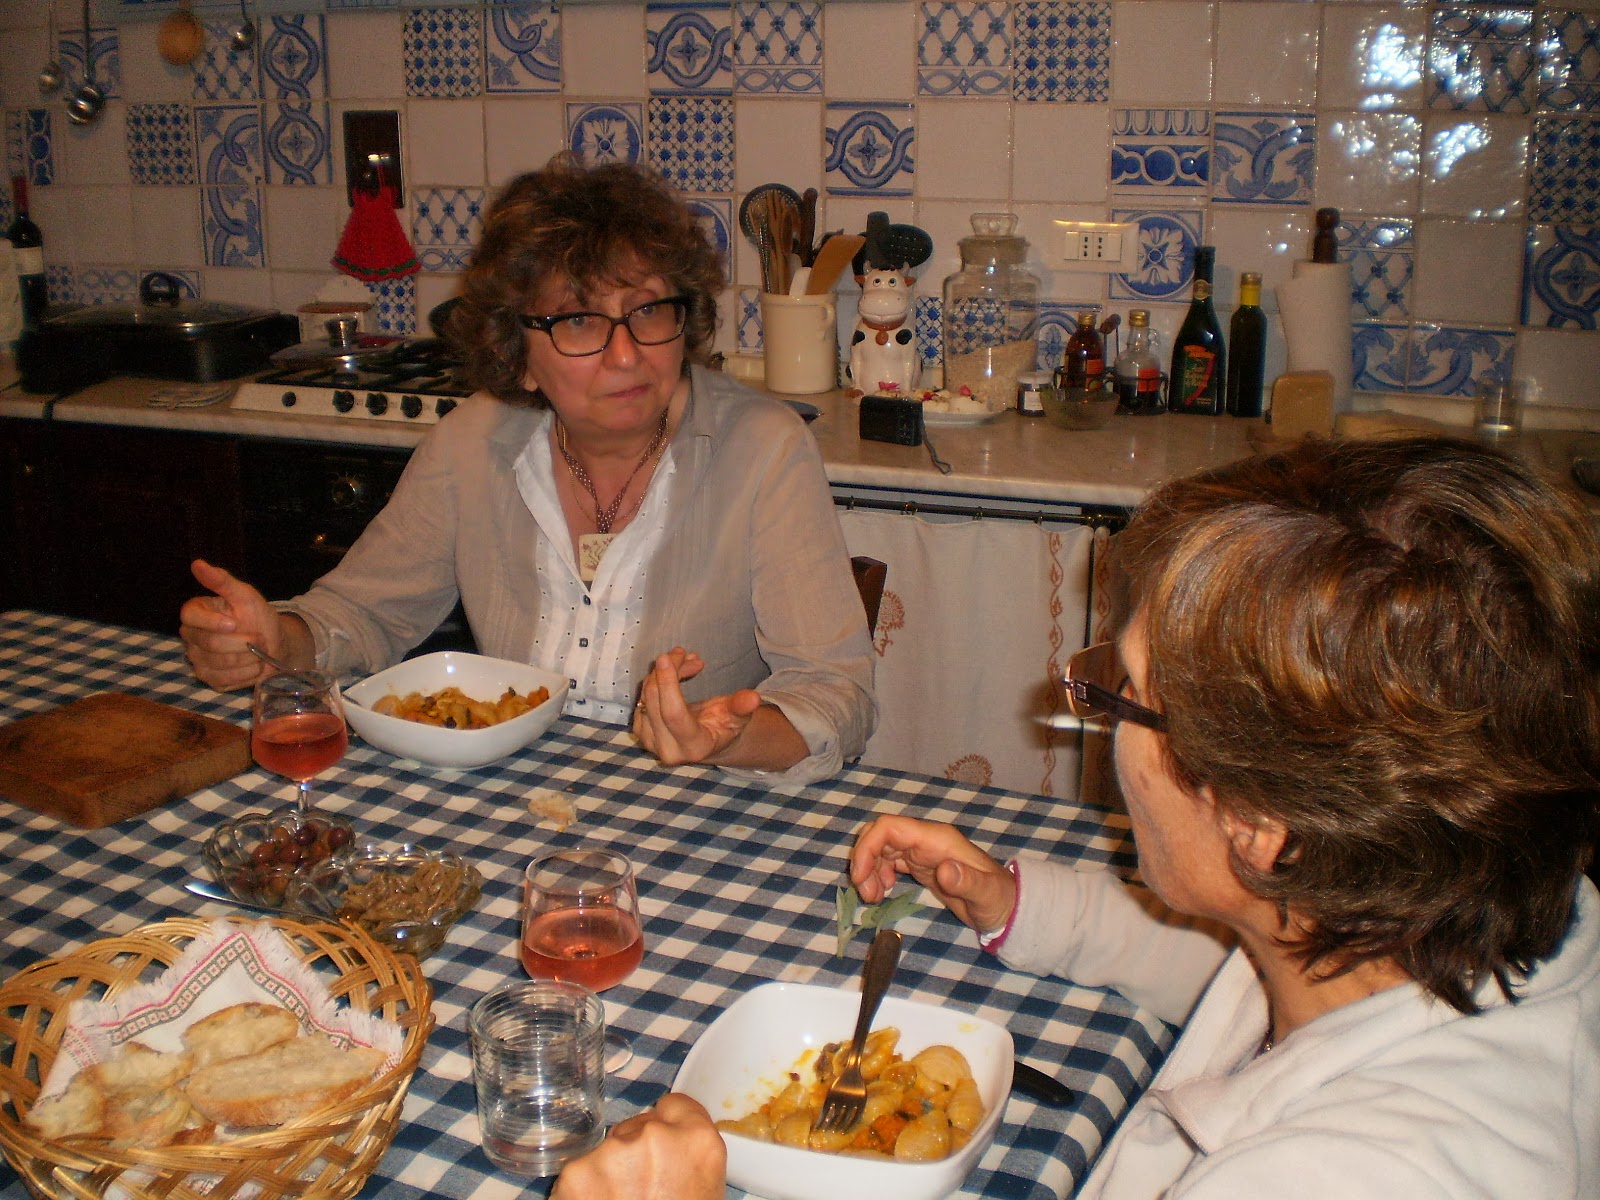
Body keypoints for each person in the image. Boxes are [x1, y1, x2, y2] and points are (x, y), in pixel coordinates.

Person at [551, 436, 1600, 1198]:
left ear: (1260, 821)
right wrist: (1011, 899)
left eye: (1120, 696)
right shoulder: (1429, 923)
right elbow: (1227, 971)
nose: (1093, 723)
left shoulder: (1347, 1176)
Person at [180, 155, 875, 785]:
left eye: (649, 312)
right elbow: (361, 614)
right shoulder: (473, 442)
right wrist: (277, 640)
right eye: (579, 322)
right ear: (517, 355)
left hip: (699, 811)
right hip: (510, 803)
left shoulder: (763, 448)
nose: (628, 354)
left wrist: (724, 739)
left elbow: (836, 694)